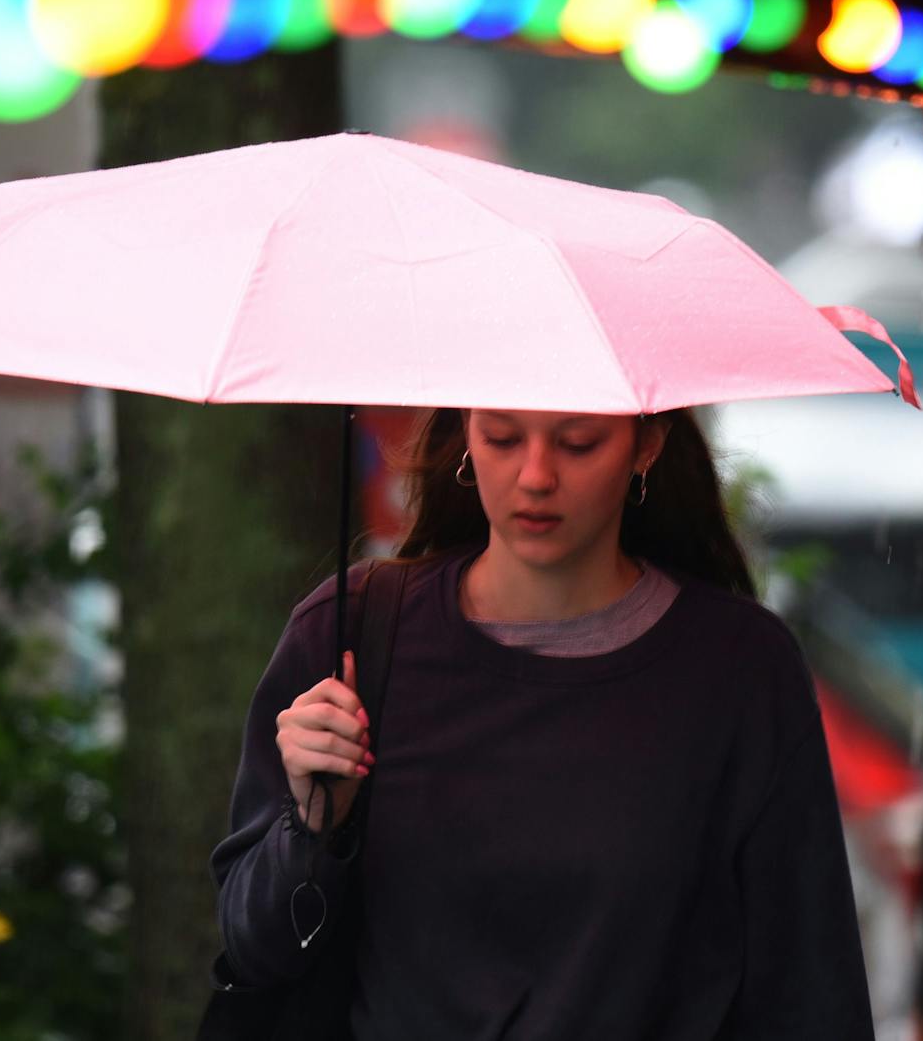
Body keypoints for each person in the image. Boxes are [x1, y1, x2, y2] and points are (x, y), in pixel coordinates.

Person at [209, 404, 876, 1040]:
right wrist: (315, 824)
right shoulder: (349, 639)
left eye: (578, 442)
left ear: (647, 443)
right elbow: (258, 949)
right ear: (466, 431)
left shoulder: (740, 671)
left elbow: (810, 993)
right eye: (502, 437)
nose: (535, 476)